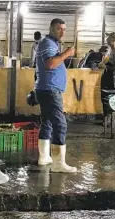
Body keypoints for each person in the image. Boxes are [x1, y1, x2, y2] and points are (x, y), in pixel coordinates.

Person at [35, 18, 77, 173]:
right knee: (60, 124)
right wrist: (67, 53)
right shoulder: (47, 43)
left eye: (64, 29)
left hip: (47, 89)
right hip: (50, 90)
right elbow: (50, 64)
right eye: (59, 28)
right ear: (52, 29)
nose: (62, 32)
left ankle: (44, 157)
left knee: (47, 122)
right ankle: (59, 164)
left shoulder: (51, 44)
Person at [99, 32, 115, 122]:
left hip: (113, 78)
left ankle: (113, 119)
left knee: (113, 98)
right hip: (106, 77)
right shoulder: (109, 51)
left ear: (113, 40)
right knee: (104, 97)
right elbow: (104, 62)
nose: (107, 40)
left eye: (108, 38)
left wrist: (106, 66)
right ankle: (106, 117)